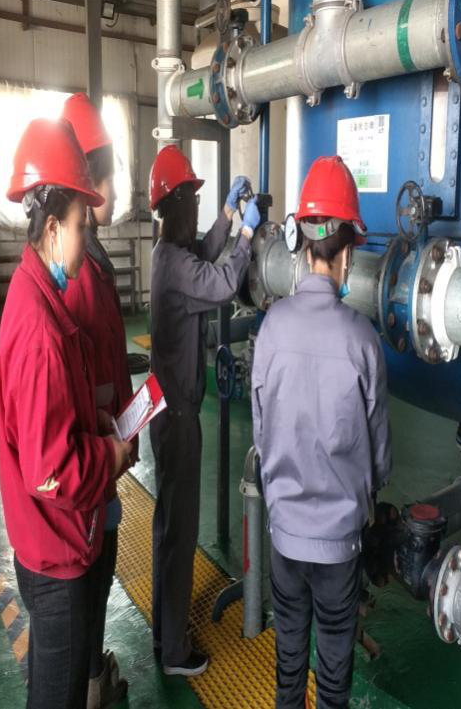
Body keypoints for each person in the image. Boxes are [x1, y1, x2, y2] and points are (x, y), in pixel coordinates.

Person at [0, 118, 133, 709]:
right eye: (80, 224)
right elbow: (51, 471)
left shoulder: (39, 295)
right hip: (56, 555)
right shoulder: (42, 331)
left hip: (51, 541)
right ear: (52, 228)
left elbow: (52, 419)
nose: (86, 236)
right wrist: (110, 454)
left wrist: (94, 425)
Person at [251, 155, 392, 709]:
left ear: (302, 245)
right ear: (348, 253)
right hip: (339, 544)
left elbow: (261, 433)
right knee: (333, 671)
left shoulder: (271, 328)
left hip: (285, 534)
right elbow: (379, 457)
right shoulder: (363, 341)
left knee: (289, 663)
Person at [149, 145, 259, 676]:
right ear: (173, 206)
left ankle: (163, 633)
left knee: (167, 528)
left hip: (164, 409)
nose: (197, 209)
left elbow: (203, 252)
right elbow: (219, 282)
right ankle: (174, 652)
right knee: (181, 534)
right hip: (178, 417)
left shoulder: (167, 253)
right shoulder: (177, 266)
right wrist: (246, 237)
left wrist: (227, 215)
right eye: (193, 201)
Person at [61, 92, 132, 709]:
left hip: (106, 447)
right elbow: (85, 380)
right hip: (93, 456)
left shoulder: (95, 258)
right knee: (91, 573)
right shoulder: (80, 272)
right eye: (106, 175)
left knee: (101, 569)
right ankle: (88, 682)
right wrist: (112, 439)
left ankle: (90, 671)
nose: (112, 188)